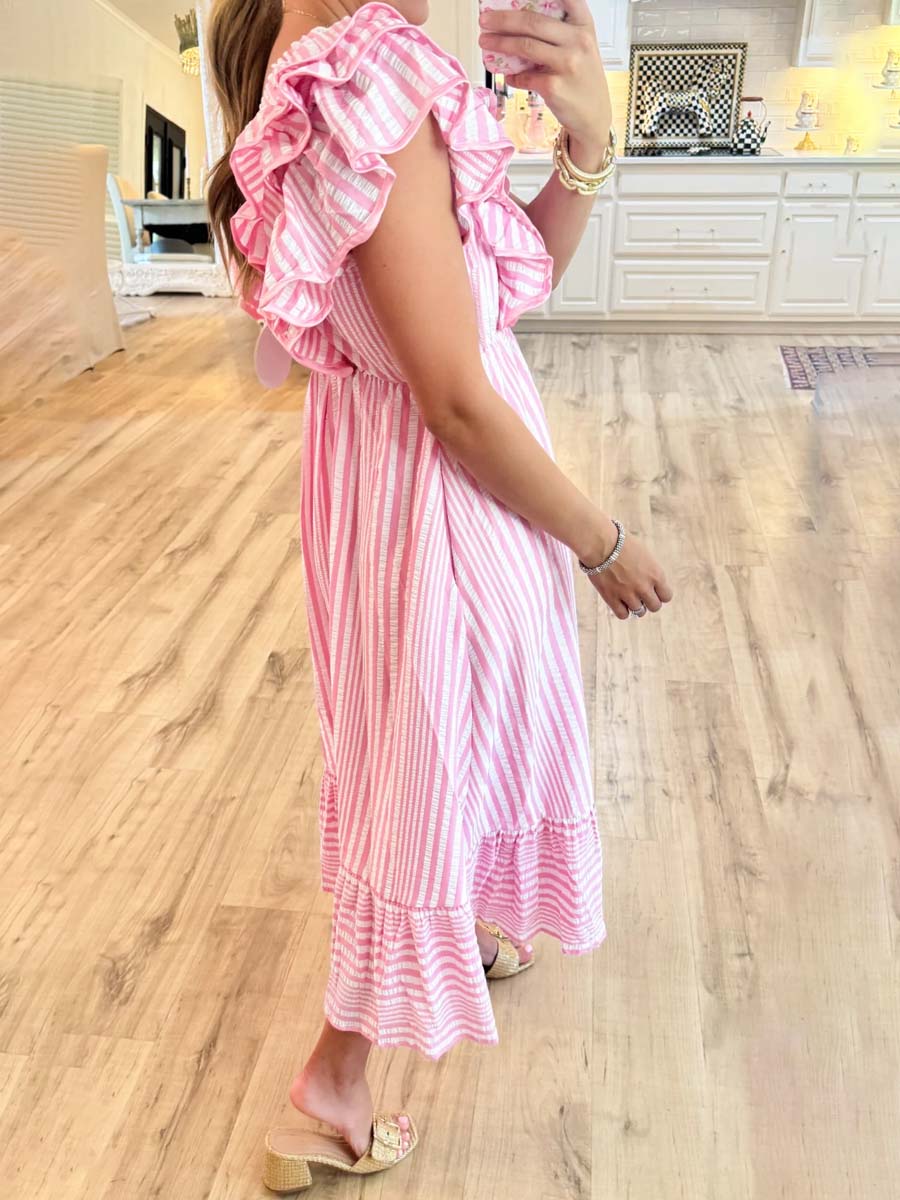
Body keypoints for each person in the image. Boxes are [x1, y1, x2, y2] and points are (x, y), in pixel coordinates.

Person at [206, 0, 673, 1188]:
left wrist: (587, 146)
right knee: (427, 767)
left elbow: (489, 300)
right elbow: (460, 397)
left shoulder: (312, 67)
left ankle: (452, 926)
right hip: (447, 492)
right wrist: (601, 540)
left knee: (426, 746)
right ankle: (331, 1089)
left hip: (388, 479)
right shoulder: (373, 79)